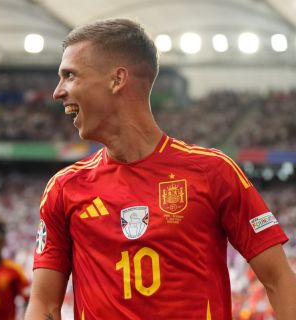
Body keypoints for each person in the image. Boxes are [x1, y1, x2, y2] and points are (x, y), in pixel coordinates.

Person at [25, 18, 296, 320]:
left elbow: (279, 279)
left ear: (117, 80)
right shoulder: (64, 188)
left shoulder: (212, 172)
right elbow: (44, 304)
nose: (57, 92)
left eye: (70, 76)